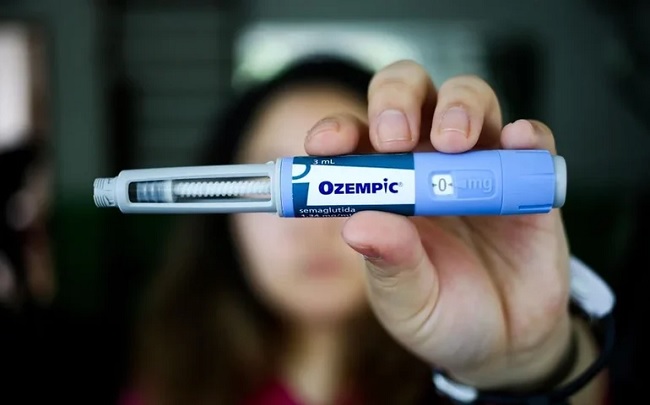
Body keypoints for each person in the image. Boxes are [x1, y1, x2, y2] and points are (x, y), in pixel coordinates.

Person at [125, 56, 610, 405]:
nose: (316, 224)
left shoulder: (457, 375)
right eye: (270, 173)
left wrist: (530, 363)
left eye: (345, 177)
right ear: (226, 221)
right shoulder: (168, 391)